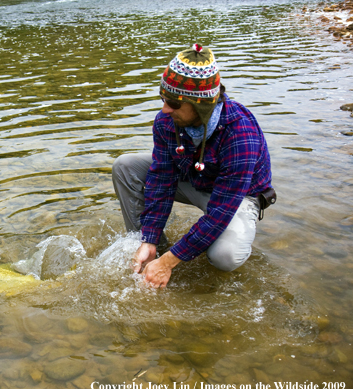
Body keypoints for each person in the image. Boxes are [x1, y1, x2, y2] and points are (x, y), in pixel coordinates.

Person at [112, 43, 275, 288]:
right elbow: (162, 179)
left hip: (239, 198)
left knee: (225, 256)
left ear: (201, 105)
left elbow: (221, 211)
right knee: (125, 166)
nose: (164, 109)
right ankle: (149, 249)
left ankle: (170, 256)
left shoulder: (240, 133)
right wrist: (150, 237)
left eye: (174, 104)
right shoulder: (166, 121)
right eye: (163, 99)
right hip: (194, 178)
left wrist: (169, 263)